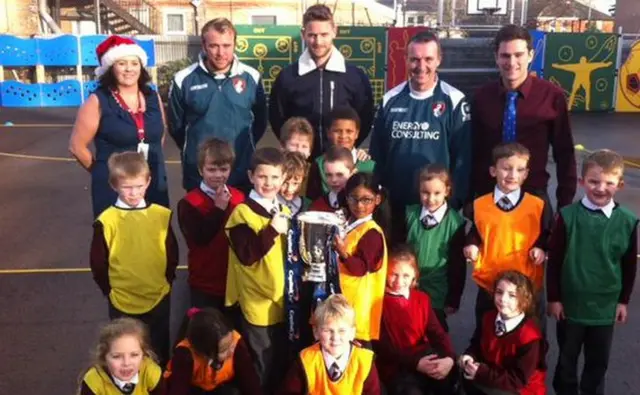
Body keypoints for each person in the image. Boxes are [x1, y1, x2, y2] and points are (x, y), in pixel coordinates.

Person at [547, 149, 638, 395]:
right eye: (594, 181)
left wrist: (623, 301)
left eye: (609, 183)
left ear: (619, 184)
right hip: (570, 305)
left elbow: (629, 265)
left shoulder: (628, 221)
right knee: (566, 360)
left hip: (604, 307)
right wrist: (554, 298)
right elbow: (554, 261)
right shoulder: (567, 217)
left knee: (598, 363)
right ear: (581, 182)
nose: (600, 188)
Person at [370, 31, 471, 244]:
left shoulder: (454, 100)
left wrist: (452, 204)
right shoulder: (390, 99)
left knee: (435, 272)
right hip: (396, 208)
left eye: (428, 59)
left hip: (436, 208)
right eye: (414, 59)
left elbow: (463, 159)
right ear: (406, 60)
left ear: (439, 60)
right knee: (397, 274)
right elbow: (377, 156)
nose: (421, 66)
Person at [470, 24, 576, 209]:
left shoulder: (552, 96)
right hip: (488, 196)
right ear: (496, 57)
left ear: (530, 55)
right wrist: (468, 196)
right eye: (505, 55)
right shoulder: (481, 98)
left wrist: (564, 202)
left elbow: (564, 152)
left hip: (533, 195)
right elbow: (472, 151)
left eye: (518, 55)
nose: (512, 62)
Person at [90, 152, 178, 366]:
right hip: (122, 299)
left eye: (139, 186)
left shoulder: (161, 215)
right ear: (114, 185)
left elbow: (171, 253)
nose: (134, 193)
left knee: (158, 351)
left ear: (148, 182)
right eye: (127, 187)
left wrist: (167, 280)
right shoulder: (107, 220)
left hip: (158, 294)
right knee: (127, 354)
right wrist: (109, 291)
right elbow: (98, 263)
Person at [69, 35, 169, 218]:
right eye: (122, 63)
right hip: (116, 188)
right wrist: (105, 173)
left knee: (155, 239)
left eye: (134, 63)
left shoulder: (153, 98)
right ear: (110, 68)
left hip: (152, 182)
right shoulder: (97, 101)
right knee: (117, 241)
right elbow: (77, 147)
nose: (129, 69)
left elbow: (159, 135)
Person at [168, 17, 267, 193]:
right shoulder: (183, 79)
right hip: (199, 176)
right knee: (199, 220)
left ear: (235, 44)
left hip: (241, 173)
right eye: (214, 46)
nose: (221, 52)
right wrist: (197, 152)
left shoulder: (252, 77)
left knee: (240, 221)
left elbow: (260, 123)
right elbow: (176, 127)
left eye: (226, 45)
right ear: (204, 45)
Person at [463, 143, 551, 331]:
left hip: (526, 284)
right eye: (506, 168)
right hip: (491, 283)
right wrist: (471, 244)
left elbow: (546, 233)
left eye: (519, 170)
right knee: (487, 331)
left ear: (526, 174)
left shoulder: (538, 204)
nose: (512, 175)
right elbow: (477, 231)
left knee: (531, 335)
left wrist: (541, 248)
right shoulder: (480, 204)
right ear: (493, 171)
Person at [269, 4, 374, 159]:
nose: (318, 41)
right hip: (301, 162)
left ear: (334, 32)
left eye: (324, 34)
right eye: (312, 35)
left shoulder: (355, 77)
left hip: (339, 165)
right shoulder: (287, 77)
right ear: (303, 34)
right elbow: (278, 120)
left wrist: (346, 150)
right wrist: (297, 149)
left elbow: (364, 119)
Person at [224, 147, 290, 393]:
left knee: (278, 363)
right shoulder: (241, 212)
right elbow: (247, 255)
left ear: (283, 178)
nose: (269, 183)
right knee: (260, 365)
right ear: (251, 176)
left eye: (275, 177)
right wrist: (272, 231)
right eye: (262, 177)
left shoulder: (282, 211)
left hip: (280, 301)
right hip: (256, 303)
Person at [374, 244, 456, 395]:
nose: (399, 281)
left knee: (446, 379)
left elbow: (437, 332)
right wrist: (415, 363)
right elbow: (382, 346)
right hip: (396, 365)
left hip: (423, 355)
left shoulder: (421, 299)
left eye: (405, 276)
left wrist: (449, 357)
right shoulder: (379, 302)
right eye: (394, 274)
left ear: (414, 276)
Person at [177, 138, 245, 310]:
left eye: (223, 169)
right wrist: (219, 209)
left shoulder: (239, 197)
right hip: (205, 283)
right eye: (211, 170)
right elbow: (199, 238)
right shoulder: (189, 203)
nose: (218, 175)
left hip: (234, 282)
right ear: (201, 170)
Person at [459, 270, 547, 395]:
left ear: (524, 300)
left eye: (512, 295)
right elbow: (476, 344)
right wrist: (469, 357)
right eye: (499, 292)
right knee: (462, 374)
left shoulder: (530, 337)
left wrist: (481, 373)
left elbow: (518, 380)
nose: (503, 299)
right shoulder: (488, 318)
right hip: (493, 377)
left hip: (519, 389)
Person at [404, 164, 466, 330]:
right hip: (409, 287)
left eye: (437, 193)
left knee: (435, 332)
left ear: (447, 191)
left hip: (438, 292)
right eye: (425, 192)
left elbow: (458, 265)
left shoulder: (456, 224)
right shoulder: (409, 214)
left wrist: (454, 298)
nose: (430, 199)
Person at [278, 294, 381, 394]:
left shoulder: (364, 362)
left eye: (342, 330)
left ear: (352, 333)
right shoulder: (306, 360)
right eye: (327, 330)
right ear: (316, 332)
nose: (335, 337)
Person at [333, 172, 390, 347]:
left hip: (358, 313)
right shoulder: (350, 223)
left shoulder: (372, 232)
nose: (359, 205)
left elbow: (360, 268)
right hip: (343, 306)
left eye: (367, 200)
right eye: (354, 199)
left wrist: (343, 253)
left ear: (377, 199)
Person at [164, 307, 262, 395]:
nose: (231, 351)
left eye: (230, 344)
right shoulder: (185, 355)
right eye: (224, 350)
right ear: (205, 354)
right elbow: (179, 389)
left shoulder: (236, 343)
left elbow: (251, 384)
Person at [78, 317, 165, 395]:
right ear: (104, 357)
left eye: (134, 355)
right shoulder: (93, 381)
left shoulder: (150, 372)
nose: (126, 363)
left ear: (144, 354)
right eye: (117, 356)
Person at [306, 106, 376, 200]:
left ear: (357, 133)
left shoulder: (369, 166)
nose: (343, 136)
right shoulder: (319, 164)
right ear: (328, 133)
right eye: (337, 131)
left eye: (349, 131)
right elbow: (312, 200)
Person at [308, 146, 357, 213]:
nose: (334, 180)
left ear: (353, 173)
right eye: (329, 175)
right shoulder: (318, 206)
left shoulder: (359, 207)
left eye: (339, 175)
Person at [279, 151, 312, 217]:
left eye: (295, 183)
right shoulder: (270, 204)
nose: (289, 189)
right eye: (285, 183)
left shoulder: (309, 206)